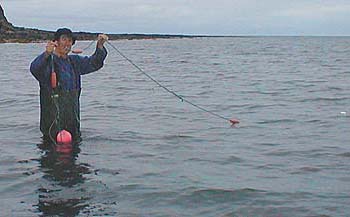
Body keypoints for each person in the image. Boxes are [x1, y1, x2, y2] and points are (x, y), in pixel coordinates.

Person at [30, 28, 108, 143]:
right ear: (55, 42)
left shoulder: (75, 61)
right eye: (64, 39)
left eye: (70, 40)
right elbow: (34, 69)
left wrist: (100, 46)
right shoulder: (47, 62)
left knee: (73, 154)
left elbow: (94, 63)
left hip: (72, 124)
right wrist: (46, 54)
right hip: (52, 126)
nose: (67, 43)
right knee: (51, 155)